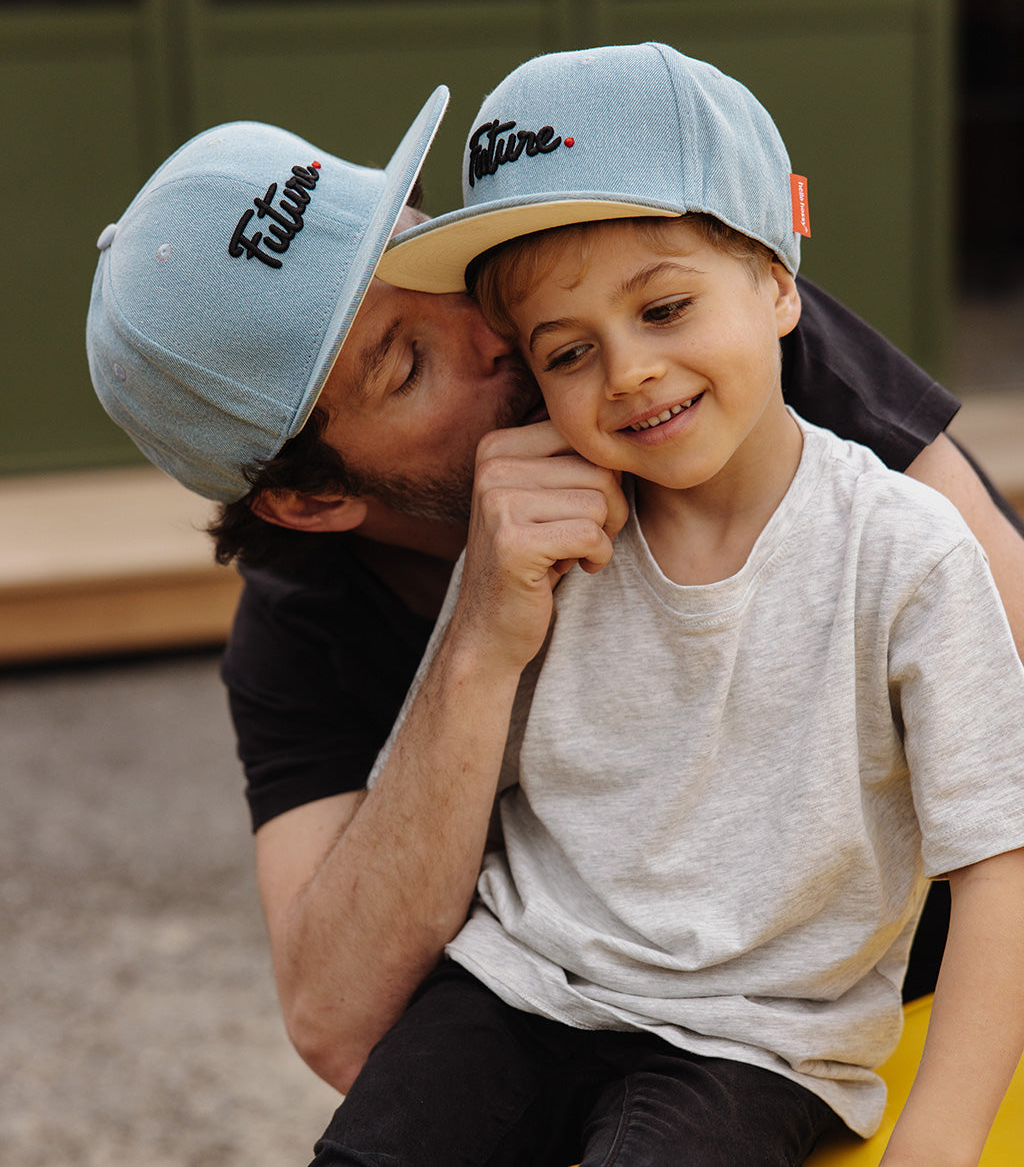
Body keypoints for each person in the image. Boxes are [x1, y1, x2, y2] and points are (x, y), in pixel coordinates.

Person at [84, 66, 1024, 1112]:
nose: (502, 333)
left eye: (430, 262)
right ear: (309, 499)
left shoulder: (696, 344)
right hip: (585, 1064)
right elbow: (340, 1024)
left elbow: (1008, 643)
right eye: (407, 364)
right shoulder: (303, 621)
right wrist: (481, 640)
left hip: (918, 1011)